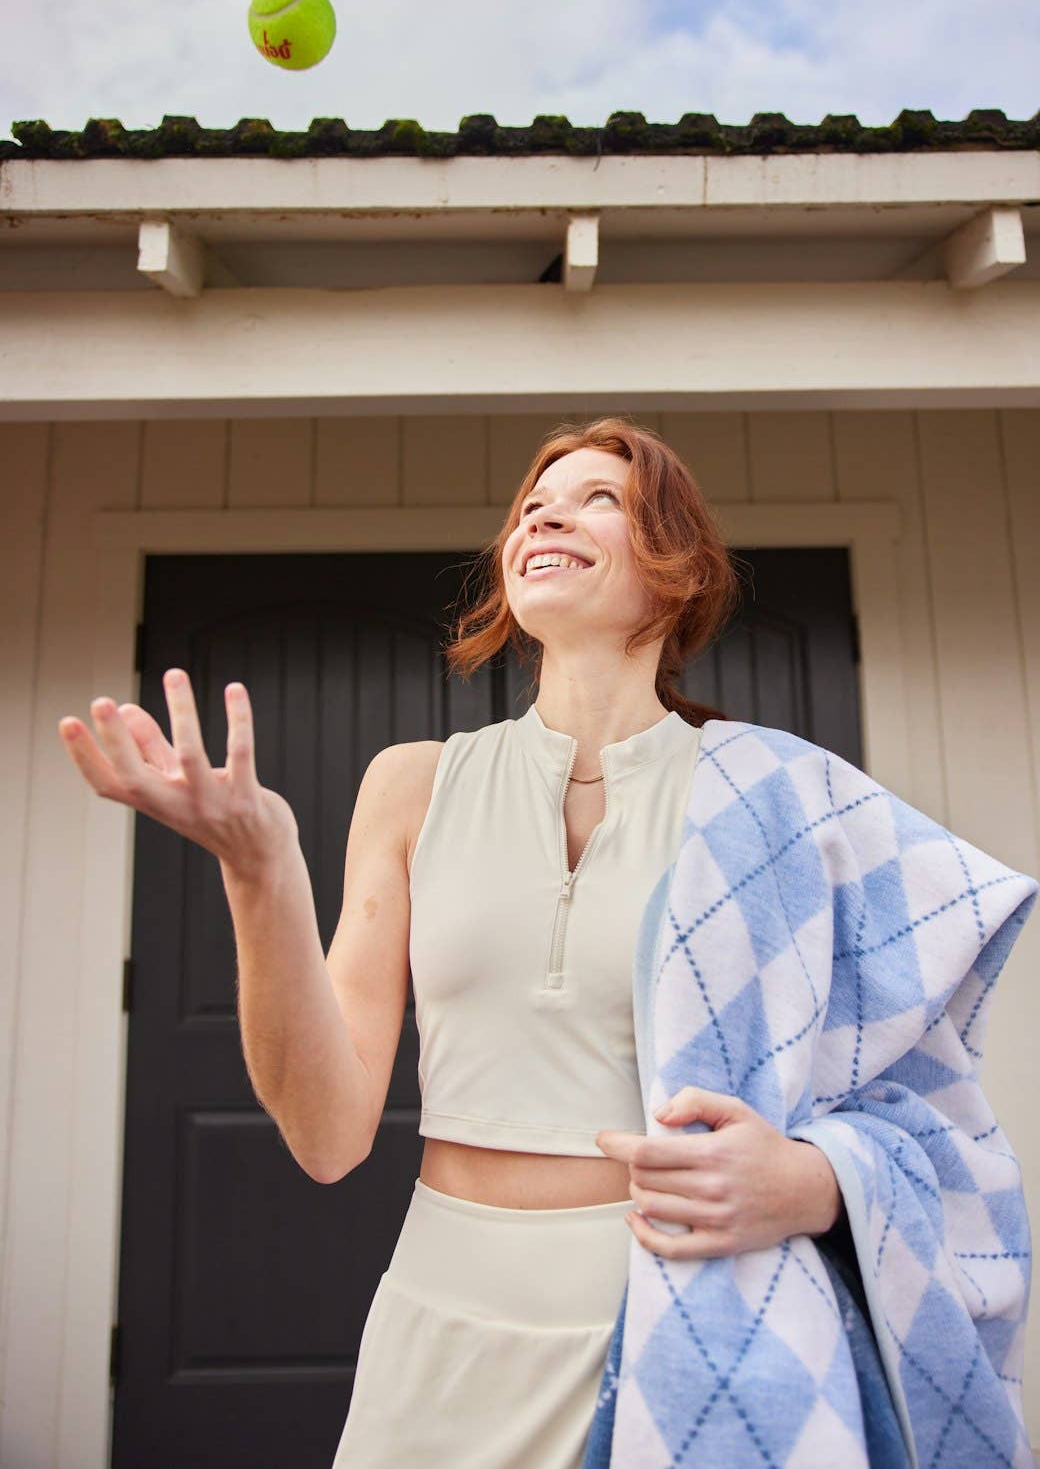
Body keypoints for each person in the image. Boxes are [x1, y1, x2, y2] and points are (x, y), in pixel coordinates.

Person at [58, 416, 868, 1467]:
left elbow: (904, 1095)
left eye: (597, 499)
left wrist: (810, 1182)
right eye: (534, 501)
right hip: (440, 1316)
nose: (544, 512)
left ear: (675, 567)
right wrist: (258, 871)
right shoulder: (410, 784)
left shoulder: (768, 795)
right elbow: (327, 1131)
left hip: (681, 1307)